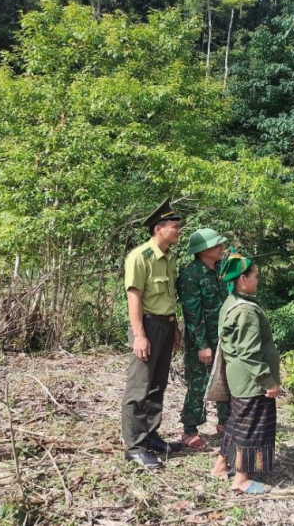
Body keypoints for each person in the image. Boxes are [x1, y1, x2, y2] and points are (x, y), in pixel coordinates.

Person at [210, 253, 280, 495]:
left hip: (238, 377)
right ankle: (241, 479)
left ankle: (222, 465)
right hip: (251, 380)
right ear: (242, 280)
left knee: (237, 423)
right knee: (253, 427)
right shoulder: (246, 311)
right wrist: (267, 381)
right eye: (255, 277)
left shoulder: (230, 302)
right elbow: (250, 352)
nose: (257, 281)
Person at [121, 198, 184, 468]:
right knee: (139, 388)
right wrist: (139, 336)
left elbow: (169, 297)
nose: (179, 231)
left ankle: (150, 436)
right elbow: (134, 298)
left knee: (158, 385)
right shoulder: (140, 257)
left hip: (166, 325)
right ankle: (134, 446)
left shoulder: (169, 258)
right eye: (175, 226)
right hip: (147, 326)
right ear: (160, 228)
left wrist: (176, 328)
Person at [178, 228, 229, 449]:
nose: (221, 248)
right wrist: (202, 345)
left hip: (224, 338)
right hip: (203, 342)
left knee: (225, 381)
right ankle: (189, 430)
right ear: (204, 250)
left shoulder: (219, 270)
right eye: (217, 245)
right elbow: (192, 314)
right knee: (198, 385)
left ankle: (225, 423)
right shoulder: (190, 275)